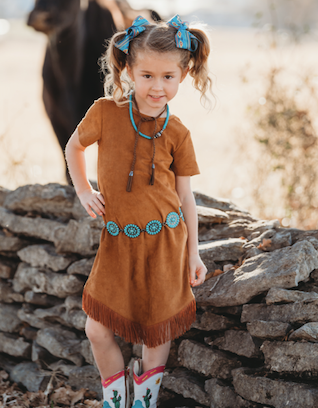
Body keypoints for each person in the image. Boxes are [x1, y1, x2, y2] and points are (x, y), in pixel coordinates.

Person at [65, 14, 213, 408]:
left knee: (156, 334)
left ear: (183, 75)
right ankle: (116, 399)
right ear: (128, 69)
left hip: (166, 242)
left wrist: (193, 252)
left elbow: (186, 198)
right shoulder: (105, 112)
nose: (157, 86)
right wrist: (83, 189)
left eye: (168, 77)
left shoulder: (178, 132)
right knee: (97, 329)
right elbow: (73, 147)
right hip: (118, 242)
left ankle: (142, 401)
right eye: (147, 75)